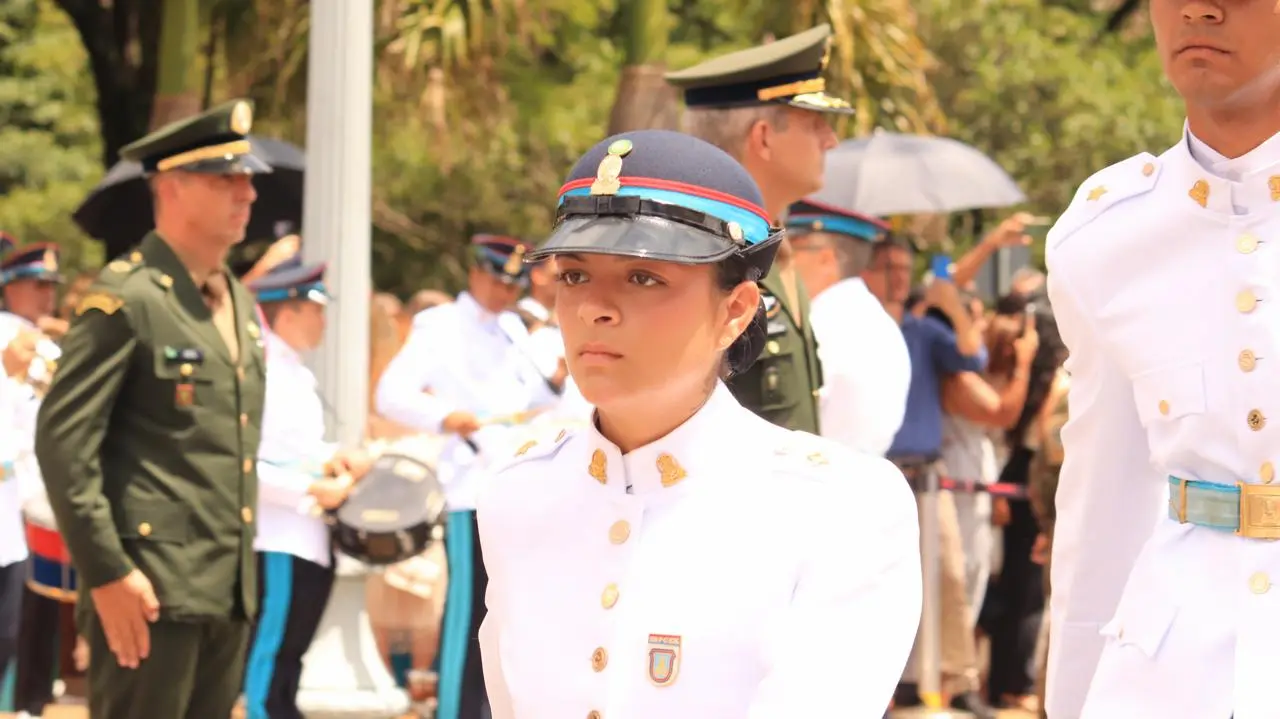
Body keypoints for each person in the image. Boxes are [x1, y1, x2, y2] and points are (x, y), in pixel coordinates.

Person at [475, 129, 921, 718]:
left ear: (735, 310)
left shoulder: (839, 507)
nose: (593, 308)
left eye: (643, 278)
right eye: (575, 275)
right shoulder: (518, 494)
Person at [33, 99, 348, 719]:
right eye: (226, 179)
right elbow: (64, 445)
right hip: (147, 589)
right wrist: (107, 572)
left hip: (226, 588)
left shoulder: (238, 302)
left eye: (247, 179)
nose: (247, 193)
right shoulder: (126, 299)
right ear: (173, 187)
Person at [1043, 1, 1280, 716]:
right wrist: (1070, 697)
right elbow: (1102, 496)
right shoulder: (1105, 234)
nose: (1200, 10)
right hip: (1168, 675)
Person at [375, 234, 568, 719]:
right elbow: (391, 394)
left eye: (514, 285)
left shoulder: (514, 329)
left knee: (503, 616)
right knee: (467, 613)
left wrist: (557, 380)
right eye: (499, 282)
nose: (506, 293)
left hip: (515, 484)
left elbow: (532, 402)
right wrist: (445, 417)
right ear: (476, 273)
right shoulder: (439, 325)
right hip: (470, 487)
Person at [666, 24, 847, 433]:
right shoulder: (699, 259)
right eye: (816, 123)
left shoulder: (775, 251)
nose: (831, 140)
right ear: (764, 138)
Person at [242, 257, 373, 719]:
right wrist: (311, 490)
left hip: (308, 536)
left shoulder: (298, 373)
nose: (324, 320)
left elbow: (297, 450)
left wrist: (336, 459)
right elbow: (243, 463)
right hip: (277, 534)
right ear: (288, 312)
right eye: (316, 310)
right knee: (269, 661)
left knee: (291, 658)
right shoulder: (260, 373)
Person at [0, 243, 78, 718]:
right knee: (17, 616)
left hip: (41, 493)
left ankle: (32, 701)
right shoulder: (6, 336)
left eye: (52, 286)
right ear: (10, 288)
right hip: (15, 492)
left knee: (40, 607)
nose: (47, 295)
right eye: (38, 285)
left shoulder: (48, 343)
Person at [785, 198, 910, 456]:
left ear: (825, 259)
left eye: (791, 250)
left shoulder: (821, 325)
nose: (781, 264)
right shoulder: (875, 320)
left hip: (813, 472)